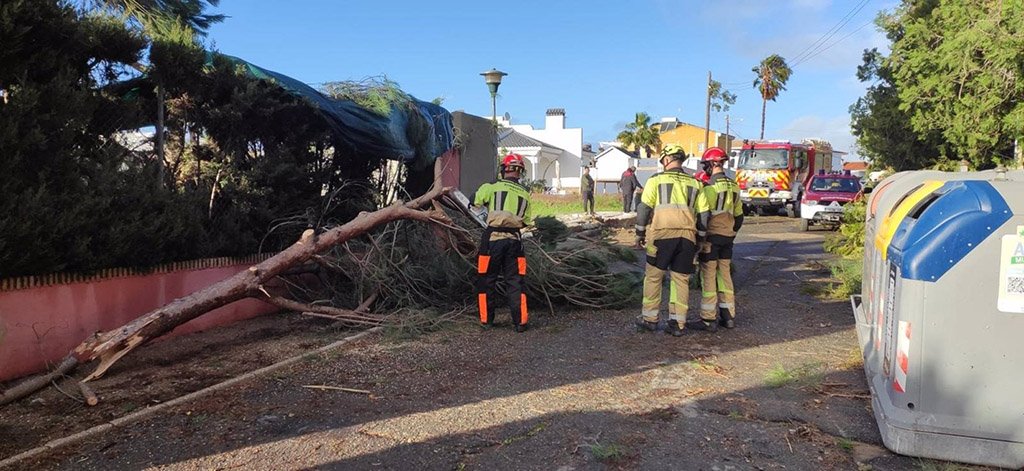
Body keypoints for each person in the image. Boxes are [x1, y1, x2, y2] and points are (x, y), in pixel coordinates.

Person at [634, 144, 710, 336]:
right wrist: (700, 239)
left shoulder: (656, 180)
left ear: (666, 160)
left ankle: (650, 319)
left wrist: (639, 233)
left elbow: (644, 208)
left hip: (661, 236)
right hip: (687, 238)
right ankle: (678, 323)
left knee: (654, 277)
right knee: (680, 279)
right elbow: (703, 215)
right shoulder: (696, 183)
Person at [473, 153, 534, 333]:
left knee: (485, 279)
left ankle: (486, 320)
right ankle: (520, 322)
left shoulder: (492, 186)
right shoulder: (525, 194)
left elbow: (475, 200)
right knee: (516, 281)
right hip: (515, 241)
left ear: (504, 169)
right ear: (520, 172)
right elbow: (526, 221)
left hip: (492, 240)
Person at [696, 147, 743, 330]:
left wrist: (700, 237)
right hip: (728, 238)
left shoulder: (709, 188)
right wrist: (731, 231)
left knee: (708, 276)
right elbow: (739, 217)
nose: (705, 168)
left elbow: (704, 215)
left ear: (713, 163)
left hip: (711, 238)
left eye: (706, 164)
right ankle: (728, 316)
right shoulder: (735, 186)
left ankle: (708, 319)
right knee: (725, 275)